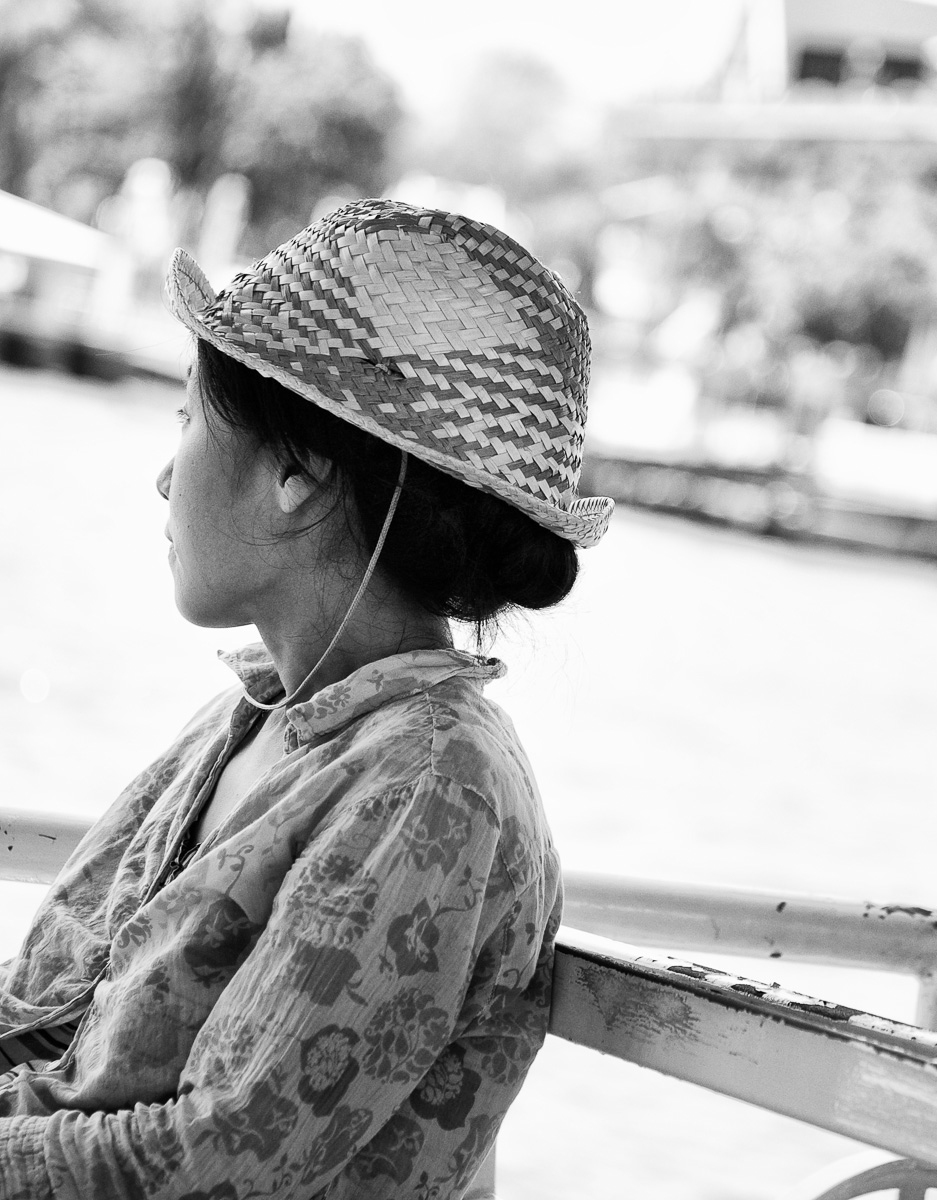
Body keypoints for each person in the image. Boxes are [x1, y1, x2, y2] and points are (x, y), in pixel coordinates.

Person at [0, 199, 613, 1198]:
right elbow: (48, 1018)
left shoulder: (435, 785)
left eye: (188, 421)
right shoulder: (253, 717)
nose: (164, 477)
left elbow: (219, 1157)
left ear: (301, 471)